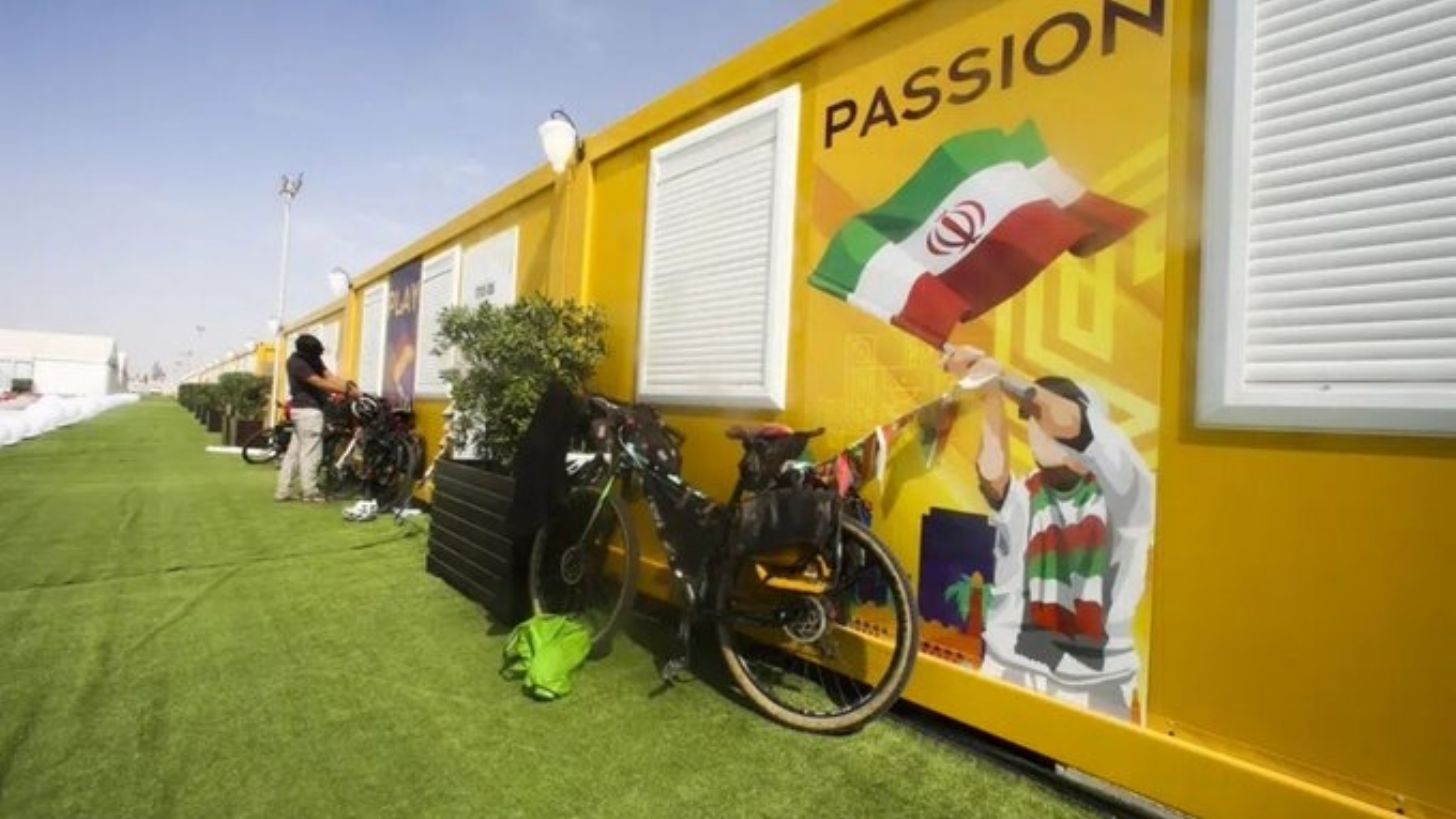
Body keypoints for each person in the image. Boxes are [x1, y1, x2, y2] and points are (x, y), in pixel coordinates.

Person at [942, 345, 1154, 720]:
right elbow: (992, 475)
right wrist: (989, 392)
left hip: (1095, 685)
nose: (1039, 428)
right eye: (1030, 419)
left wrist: (1002, 378)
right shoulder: (1026, 494)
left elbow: (1071, 423)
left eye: (1041, 414)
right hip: (1009, 665)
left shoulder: (1127, 493)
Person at [275, 334, 356, 502]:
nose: (318, 356)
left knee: (294, 453)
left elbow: (329, 376)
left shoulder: (313, 360)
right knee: (311, 453)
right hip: (308, 412)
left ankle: (283, 491)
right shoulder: (297, 363)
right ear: (306, 352)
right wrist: (347, 392)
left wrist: (350, 388)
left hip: (303, 412)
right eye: (316, 353)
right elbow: (319, 382)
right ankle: (310, 492)